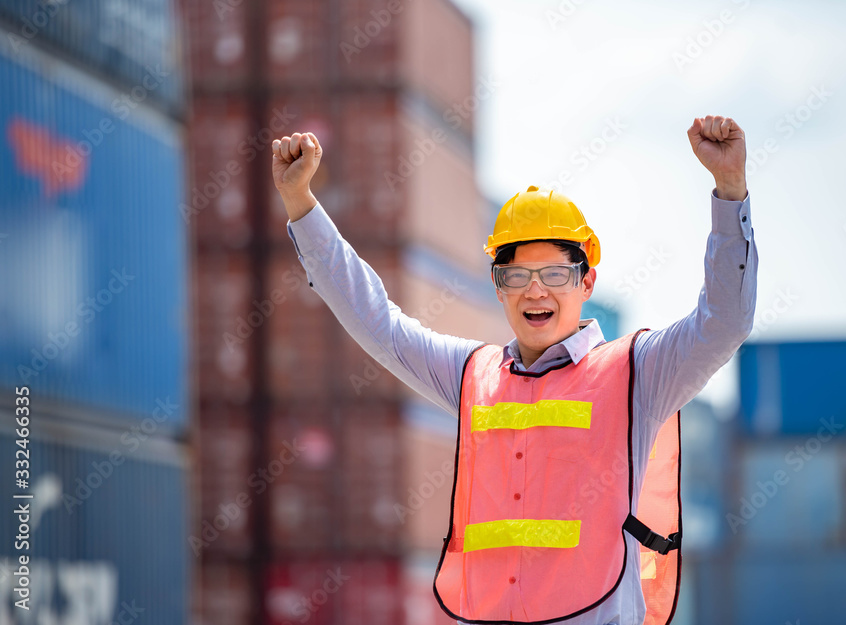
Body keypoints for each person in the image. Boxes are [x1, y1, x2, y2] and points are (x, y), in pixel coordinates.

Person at [272, 115, 757, 625]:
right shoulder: (471, 376)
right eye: (517, 276)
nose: (536, 290)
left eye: (554, 273)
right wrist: (301, 204)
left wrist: (729, 192)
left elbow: (724, 321)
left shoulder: (636, 373)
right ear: (498, 285)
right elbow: (377, 324)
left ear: (586, 281)